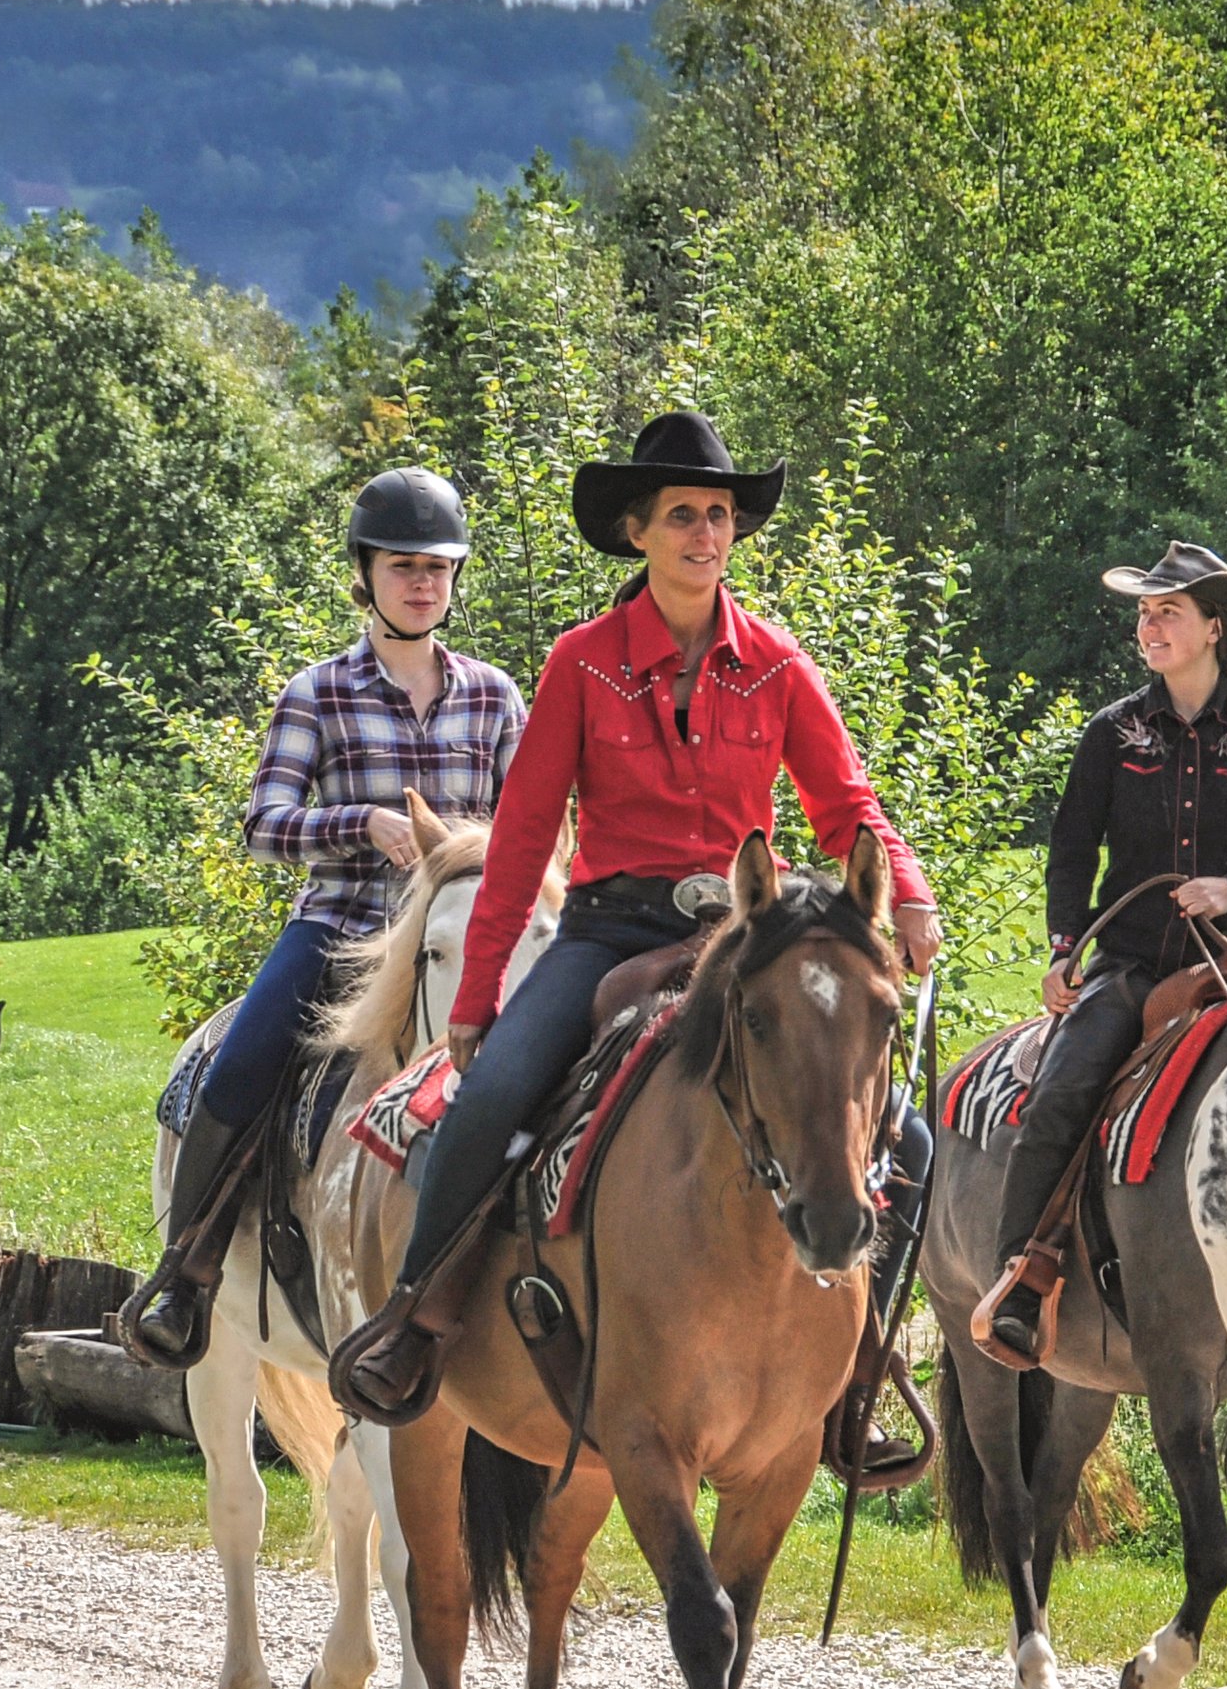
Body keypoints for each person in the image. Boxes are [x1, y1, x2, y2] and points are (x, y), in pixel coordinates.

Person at [332, 410, 942, 1426]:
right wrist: (477, 1003)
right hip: (609, 929)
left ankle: (860, 1359)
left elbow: (848, 805)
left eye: (719, 515)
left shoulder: (781, 665)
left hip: (749, 941)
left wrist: (907, 889)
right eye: (683, 516)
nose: (707, 534)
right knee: (484, 1104)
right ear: (638, 532)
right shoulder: (582, 661)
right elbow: (523, 841)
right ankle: (417, 1319)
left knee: (909, 1138)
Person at [120, 468, 524, 1367]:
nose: (422, 584)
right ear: (365, 574)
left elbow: (532, 825)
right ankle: (185, 1275)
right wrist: (358, 825)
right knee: (240, 1064)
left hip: (463, 942)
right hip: (340, 931)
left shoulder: (495, 696)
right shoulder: (317, 691)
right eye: (402, 566)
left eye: (438, 568)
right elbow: (263, 827)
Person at [972, 543, 1227, 1365]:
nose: (1148, 626)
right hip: (1126, 963)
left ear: (1213, 630)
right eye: (1144, 613)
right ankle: (1021, 1275)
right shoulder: (1112, 732)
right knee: (1060, 1093)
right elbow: (1071, 850)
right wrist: (1063, 952)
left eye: (1167, 612)